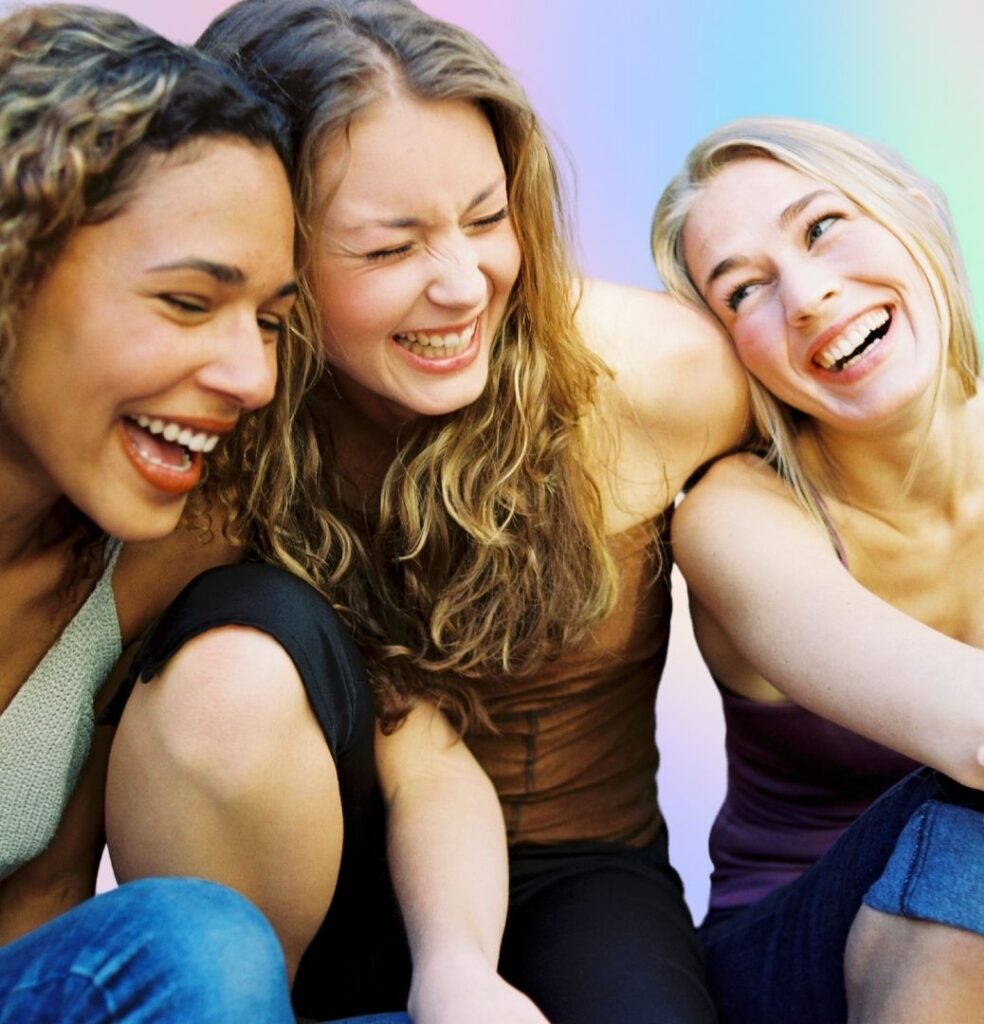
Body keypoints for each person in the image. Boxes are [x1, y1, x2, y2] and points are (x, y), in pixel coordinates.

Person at [109, 1, 749, 1022]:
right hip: (307, 890)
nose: (462, 286)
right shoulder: (190, 436)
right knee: (235, 650)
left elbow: (892, 480)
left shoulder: (660, 377)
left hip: (575, 871)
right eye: (387, 249)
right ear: (265, 250)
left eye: (487, 220)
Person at [651, 116, 984, 1024]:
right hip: (790, 957)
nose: (808, 295)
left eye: (822, 228)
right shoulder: (731, 516)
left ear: (915, 212)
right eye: (744, 291)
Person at [0, 3, 306, 1021]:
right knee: (198, 946)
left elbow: (43, 917)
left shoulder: (147, 556)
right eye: (187, 302)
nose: (252, 377)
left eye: (269, 320)